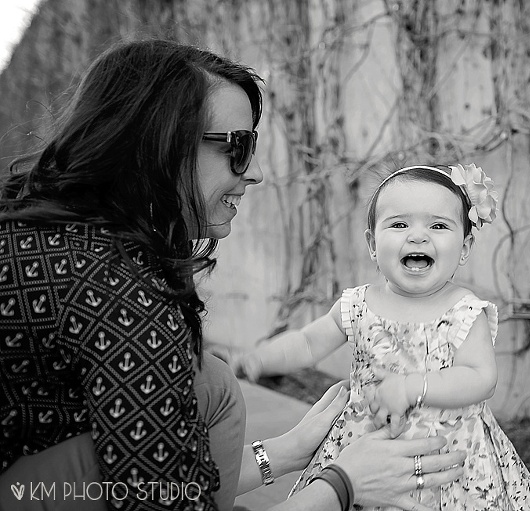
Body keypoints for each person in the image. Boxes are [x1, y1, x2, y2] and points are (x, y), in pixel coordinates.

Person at [0, 39, 465, 511]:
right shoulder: (116, 290)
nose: (257, 172)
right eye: (238, 147)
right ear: (157, 144)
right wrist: (343, 485)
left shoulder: (39, 225)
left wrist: (288, 452)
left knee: (210, 384)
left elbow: (161, 476)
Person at [230, 164, 530, 510]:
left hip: (447, 456)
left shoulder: (463, 311)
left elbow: (481, 379)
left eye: (438, 225)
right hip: (366, 447)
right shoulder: (357, 304)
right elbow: (307, 343)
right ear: (372, 243)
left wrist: (412, 386)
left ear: (464, 247)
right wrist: (262, 358)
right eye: (399, 224)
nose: (417, 236)